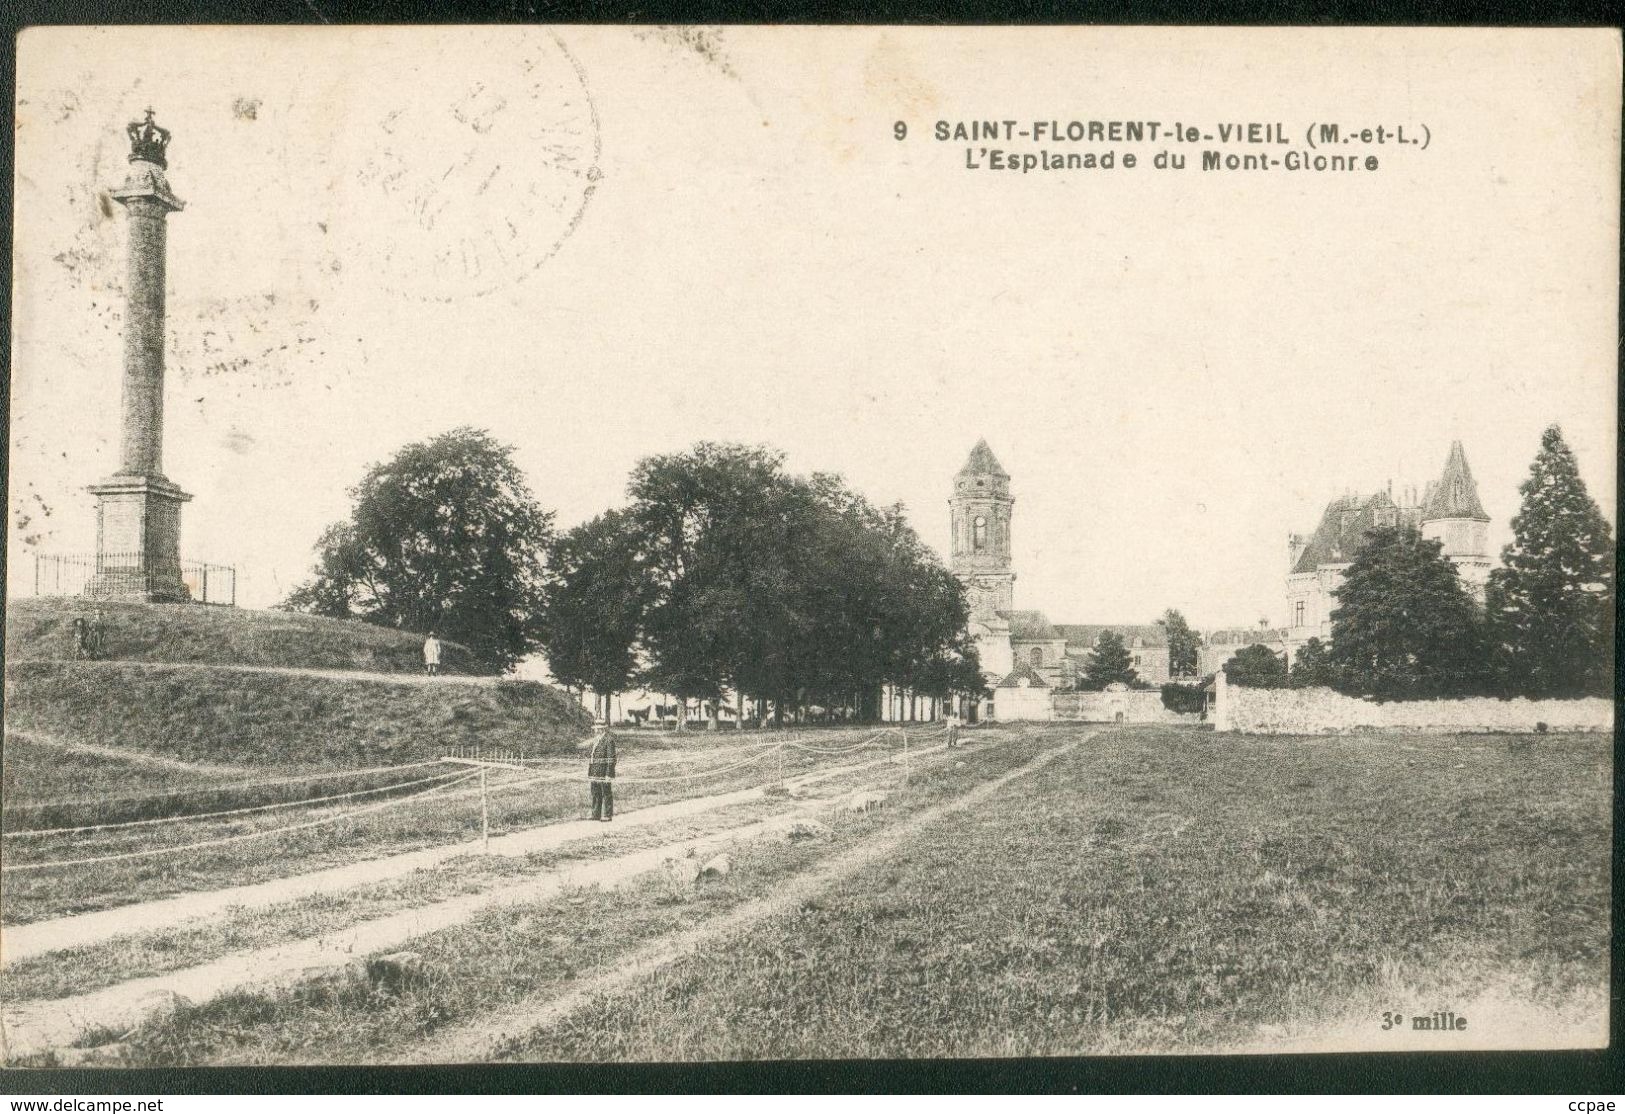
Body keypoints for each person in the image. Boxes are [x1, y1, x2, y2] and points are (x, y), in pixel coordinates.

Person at [587, 730, 618, 822]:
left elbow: (611, 758)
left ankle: (607, 815)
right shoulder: (597, 740)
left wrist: (609, 773)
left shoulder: (609, 740)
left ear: (603, 729)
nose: (596, 729)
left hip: (604, 772)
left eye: (599, 727)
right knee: (595, 793)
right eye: (596, 727)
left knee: (606, 793)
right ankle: (595, 814)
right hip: (595, 772)